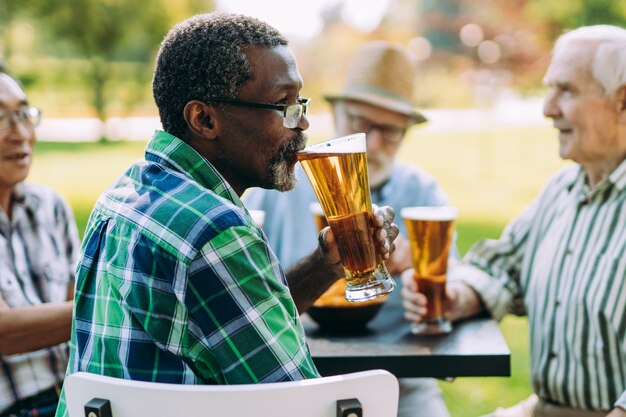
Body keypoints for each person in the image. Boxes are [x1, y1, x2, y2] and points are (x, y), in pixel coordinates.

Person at [54, 13, 399, 417]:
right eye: (282, 105)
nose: (302, 122)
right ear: (204, 119)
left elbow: (226, 322)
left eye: (299, 102)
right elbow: (300, 403)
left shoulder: (123, 194)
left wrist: (324, 267)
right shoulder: (215, 231)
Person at [402, 24, 626, 417]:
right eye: (549, 88)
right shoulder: (562, 190)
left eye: (567, 91)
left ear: (622, 102)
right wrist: (455, 297)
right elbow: (501, 267)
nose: (547, 108)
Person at [245, 40, 454, 417]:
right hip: (302, 385)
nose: (372, 144)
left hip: (401, 384)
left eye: (389, 131)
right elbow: (247, 293)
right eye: (361, 124)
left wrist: (428, 275)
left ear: (406, 132)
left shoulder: (421, 192)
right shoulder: (279, 186)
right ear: (338, 116)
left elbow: (454, 284)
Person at [0, 71, 79, 417]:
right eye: (0, 118)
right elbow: (5, 334)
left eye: (23, 115)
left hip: (71, 398)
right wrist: (108, 306)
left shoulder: (50, 207)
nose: (19, 134)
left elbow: (75, 296)